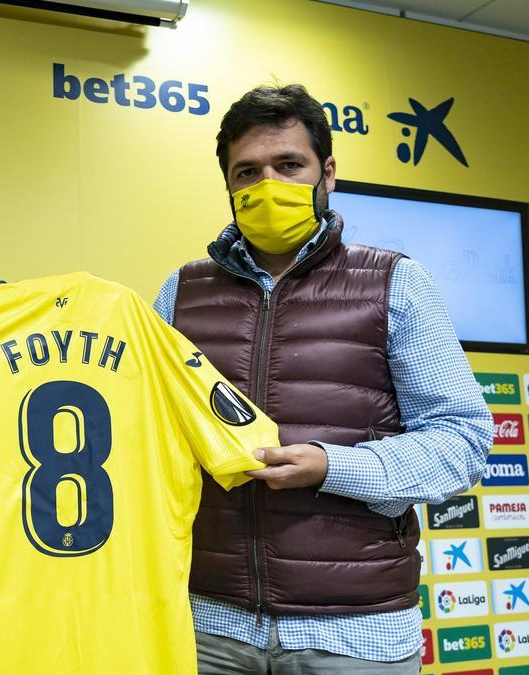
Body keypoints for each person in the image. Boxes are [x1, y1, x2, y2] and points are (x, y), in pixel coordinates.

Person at [152, 84, 493, 673]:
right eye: (247, 172)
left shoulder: (395, 284)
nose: (267, 185)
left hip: (355, 635)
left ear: (326, 172)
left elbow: (462, 441)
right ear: (229, 184)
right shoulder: (181, 292)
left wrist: (331, 465)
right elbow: (127, 418)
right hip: (205, 624)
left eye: (289, 165)